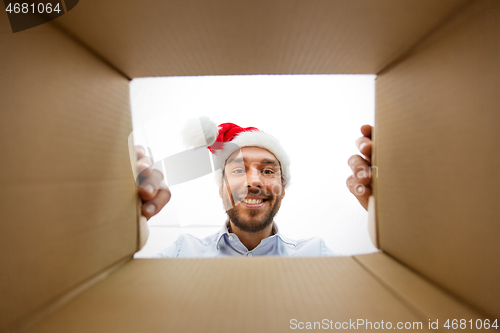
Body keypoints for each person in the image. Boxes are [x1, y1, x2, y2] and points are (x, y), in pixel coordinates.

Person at [134, 118, 373, 257]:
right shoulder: (182, 253)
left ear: (283, 187)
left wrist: (390, 224)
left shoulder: (316, 255)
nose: (253, 182)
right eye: (238, 170)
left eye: (268, 171)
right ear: (221, 188)